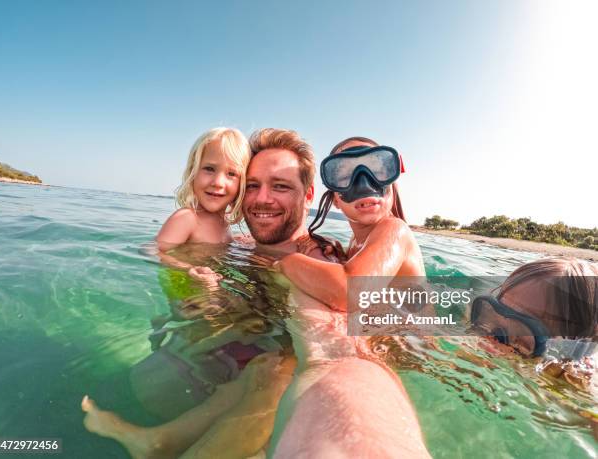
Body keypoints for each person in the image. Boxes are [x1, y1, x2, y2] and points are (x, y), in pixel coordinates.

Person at [82, 128, 430, 459]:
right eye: (251, 186)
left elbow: (338, 348)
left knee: (274, 371)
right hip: (200, 374)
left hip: (397, 352)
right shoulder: (245, 245)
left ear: (309, 195)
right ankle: (164, 441)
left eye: (280, 186)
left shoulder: (320, 257)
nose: (262, 199)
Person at [271, 136, 425, 312]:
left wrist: (286, 262)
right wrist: (338, 253)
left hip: (414, 339)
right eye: (345, 177)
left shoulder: (395, 230)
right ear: (335, 200)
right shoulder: (357, 241)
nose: (364, 184)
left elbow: (352, 293)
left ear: (391, 181)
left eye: (377, 171)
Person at [470, 257, 597, 389]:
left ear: (568, 347)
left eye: (519, 340)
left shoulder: (575, 383)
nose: (493, 341)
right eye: (494, 318)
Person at [155, 127, 250, 282]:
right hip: (186, 290)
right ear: (193, 172)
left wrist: (238, 243)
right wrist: (188, 269)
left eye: (231, 174)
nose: (218, 182)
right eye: (209, 169)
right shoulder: (187, 219)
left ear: (243, 183)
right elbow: (153, 251)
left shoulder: (224, 223)